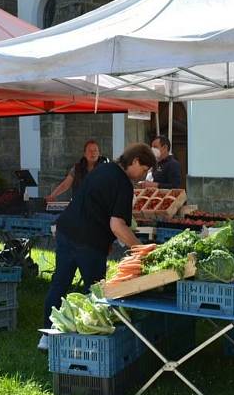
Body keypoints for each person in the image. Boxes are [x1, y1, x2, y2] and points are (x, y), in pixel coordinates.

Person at [39, 143, 156, 350]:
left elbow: (95, 205)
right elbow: (117, 224)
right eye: (144, 170)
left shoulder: (103, 168)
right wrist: (141, 250)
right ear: (136, 161)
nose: (143, 175)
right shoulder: (124, 184)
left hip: (66, 231)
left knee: (60, 282)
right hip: (89, 241)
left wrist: (107, 240)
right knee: (95, 292)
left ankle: (47, 336)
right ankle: (89, 341)